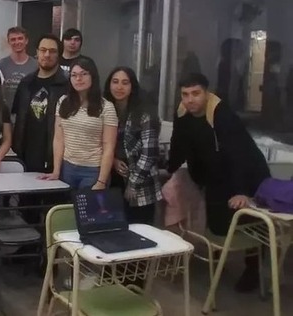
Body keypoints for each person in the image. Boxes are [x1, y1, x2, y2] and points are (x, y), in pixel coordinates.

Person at [168, 73, 270, 291]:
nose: (190, 99)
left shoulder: (222, 115)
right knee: (218, 225)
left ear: (207, 93)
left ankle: (253, 268)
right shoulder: (183, 113)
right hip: (216, 176)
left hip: (247, 174)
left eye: (196, 93)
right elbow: (179, 143)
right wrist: (168, 169)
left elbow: (238, 155)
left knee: (250, 224)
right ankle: (218, 259)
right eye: (185, 95)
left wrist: (242, 191)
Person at [45, 56, 118, 189]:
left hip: (93, 170)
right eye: (74, 75)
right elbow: (59, 139)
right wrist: (56, 170)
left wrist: (101, 181)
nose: (78, 79)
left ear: (93, 76)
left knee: (87, 209)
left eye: (83, 74)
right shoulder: (63, 102)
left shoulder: (106, 107)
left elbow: (109, 147)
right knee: (66, 208)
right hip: (67, 167)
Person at [104, 67, 162, 224]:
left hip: (140, 181)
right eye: (115, 82)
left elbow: (149, 153)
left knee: (140, 230)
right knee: (116, 229)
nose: (119, 87)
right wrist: (114, 160)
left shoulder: (144, 113)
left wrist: (133, 184)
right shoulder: (106, 110)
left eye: (125, 83)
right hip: (113, 178)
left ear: (132, 86)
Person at [12, 34, 69, 174]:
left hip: (55, 158)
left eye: (52, 51)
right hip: (25, 157)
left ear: (59, 55)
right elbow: (16, 118)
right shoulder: (26, 83)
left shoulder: (67, 85)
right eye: (43, 50)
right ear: (37, 52)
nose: (47, 54)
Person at [0, 26, 38, 111]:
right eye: (13, 39)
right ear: (8, 42)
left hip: (28, 115)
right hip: (5, 116)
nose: (17, 42)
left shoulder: (36, 66)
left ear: (26, 41)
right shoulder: (0, 66)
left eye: (20, 38)